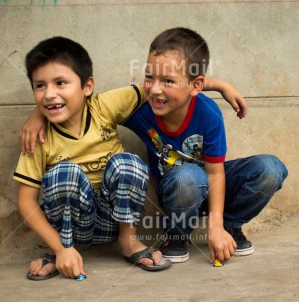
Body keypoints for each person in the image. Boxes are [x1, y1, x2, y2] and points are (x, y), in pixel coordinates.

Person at [16, 36, 247, 280]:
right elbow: (26, 202)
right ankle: (61, 252)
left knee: (128, 163)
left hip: (112, 222)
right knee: (65, 173)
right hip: (69, 230)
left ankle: (129, 242)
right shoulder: (37, 138)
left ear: (87, 86)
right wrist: (61, 248)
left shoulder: (104, 106)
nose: (49, 94)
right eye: (39, 86)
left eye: (60, 83)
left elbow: (167, 87)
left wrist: (220, 85)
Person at [122, 27, 288, 264]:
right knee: (189, 176)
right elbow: (93, 106)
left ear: (196, 85)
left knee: (270, 169)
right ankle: (177, 234)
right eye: (150, 77)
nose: (155, 88)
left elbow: (214, 172)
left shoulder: (208, 113)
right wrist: (47, 115)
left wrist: (216, 227)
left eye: (168, 80)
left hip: (210, 185)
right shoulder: (141, 108)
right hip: (178, 192)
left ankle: (229, 228)